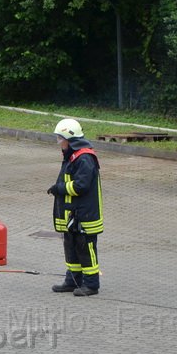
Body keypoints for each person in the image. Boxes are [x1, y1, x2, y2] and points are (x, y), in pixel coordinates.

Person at [47, 118, 103, 296]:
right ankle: (72, 281)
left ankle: (91, 285)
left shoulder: (84, 157)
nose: (59, 143)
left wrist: (60, 189)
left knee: (85, 249)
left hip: (84, 215)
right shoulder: (72, 156)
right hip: (74, 214)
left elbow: (81, 186)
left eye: (60, 139)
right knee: (71, 248)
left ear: (70, 139)